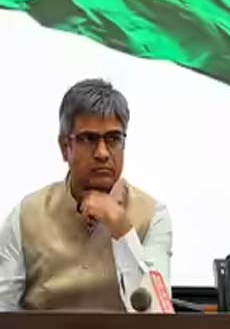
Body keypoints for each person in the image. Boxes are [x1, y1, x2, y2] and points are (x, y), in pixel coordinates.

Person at [0, 79, 172, 311]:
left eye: (113, 139)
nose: (102, 153)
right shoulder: (26, 215)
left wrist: (122, 229)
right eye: (88, 139)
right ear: (65, 147)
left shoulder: (153, 216)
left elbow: (159, 318)